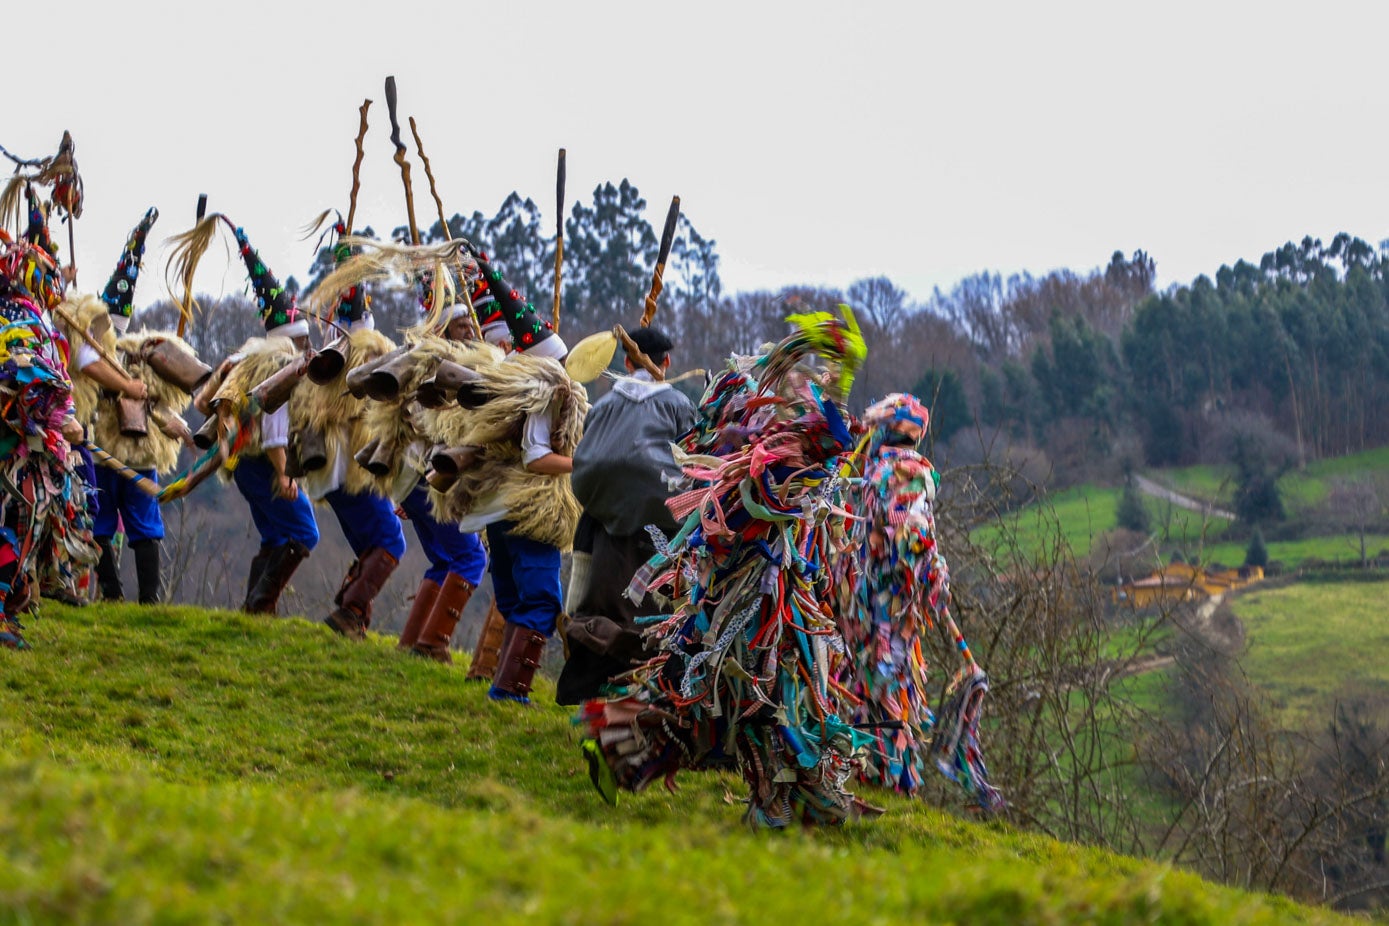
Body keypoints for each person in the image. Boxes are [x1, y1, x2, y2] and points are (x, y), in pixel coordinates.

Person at [420, 249, 585, 703]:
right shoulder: (545, 389)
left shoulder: (505, 384)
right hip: (529, 508)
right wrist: (581, 463)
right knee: (538, 601)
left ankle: (501, 684)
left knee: (514, 597)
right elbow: (536, 458)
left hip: (497, 507)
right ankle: (510, 690)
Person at [835, 393, 1003, 812]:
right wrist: (935, 577)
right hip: (892, 606)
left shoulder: (873, 470)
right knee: (892, 686)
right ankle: (894, 783)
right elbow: (913, 541)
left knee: (867, 683)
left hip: (864, 601)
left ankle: (868, 771)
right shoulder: (909, 471)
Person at [63, 208, 202, 604]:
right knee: (123, 521)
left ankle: (121, 595)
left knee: (113, 520)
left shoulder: (137, 354)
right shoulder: (112, 354)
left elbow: (160, 396)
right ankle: (136, 597)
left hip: (117, 447)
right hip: (120, 449)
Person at [187, 218, 320, 614]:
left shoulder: (247, 356)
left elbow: (202, 401)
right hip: (263, 463)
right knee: (304, 532)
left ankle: (257, 611)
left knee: (276, 537)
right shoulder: (281, 362)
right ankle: (260, 605)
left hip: (239, 462)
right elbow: (276, 425)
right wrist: (284, 473)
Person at [556, 325, 695, 704]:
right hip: (659, 536)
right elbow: (693, 463)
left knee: (602, 606)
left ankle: (594, 691)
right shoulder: (678, 405)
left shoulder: (603, 406)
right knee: (648, 617)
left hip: (603, 527)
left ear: (626, 361)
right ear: (665, 362)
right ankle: (642, 698)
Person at [0, 186, 83, 647]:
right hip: (16, 446)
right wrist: (56, 419)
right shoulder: (16, 314)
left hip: (28, 446)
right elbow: (21, 375)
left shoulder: (30, 314)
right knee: (15, 515)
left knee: (22, 518)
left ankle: (7, 611)